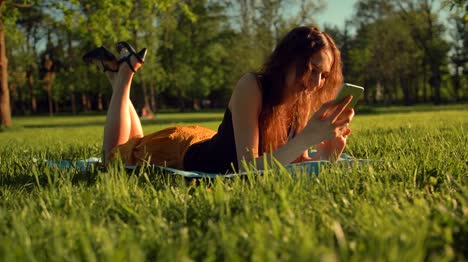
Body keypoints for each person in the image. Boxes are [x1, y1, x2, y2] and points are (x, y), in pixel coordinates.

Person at [83, 26, 354, 174]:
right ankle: (125, 75)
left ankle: (116, 73)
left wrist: (326, 156)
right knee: (113, 159)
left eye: (323, 75)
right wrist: (307, 137)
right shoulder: (253, 86)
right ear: (288, 60)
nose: (317, 83)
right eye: (311, 70)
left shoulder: (300, 99)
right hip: (179, 153)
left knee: (136, 142)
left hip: (203, 138)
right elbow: (248, 168)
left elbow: (292, 161)